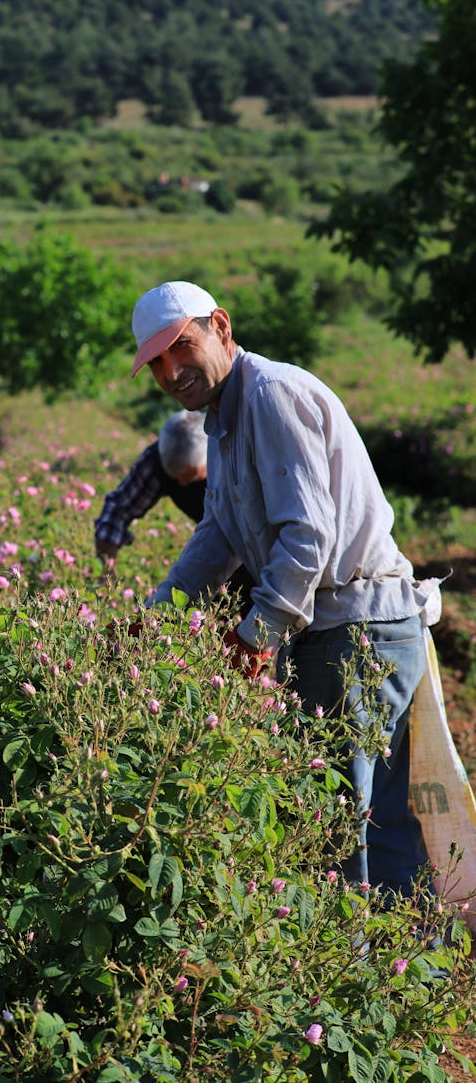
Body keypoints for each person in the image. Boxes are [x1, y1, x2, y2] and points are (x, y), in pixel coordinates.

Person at [129, 279, 439, 899]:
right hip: (350, 632)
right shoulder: (224, 419)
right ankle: (405, 976)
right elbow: (218, 534)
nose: (171, 371)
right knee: (374, 827)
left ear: (220, 325)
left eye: (181, 346)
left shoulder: (270, 394)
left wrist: (256, 633)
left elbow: (308, 535)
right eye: (157, 362)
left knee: (337, 833)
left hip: (356, 634)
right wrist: (156, 618)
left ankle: (362, 983)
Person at [94, 409, 208, 572]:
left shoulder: (229, 457)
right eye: (174, 476)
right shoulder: (156, 460)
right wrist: (106, 572)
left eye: (190, 475)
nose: (182, 484)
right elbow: (118, 510)